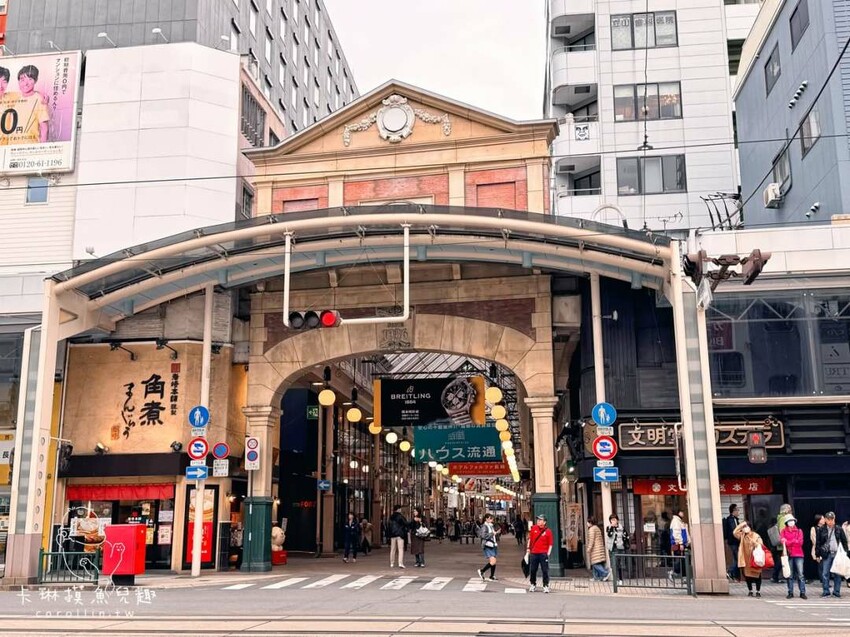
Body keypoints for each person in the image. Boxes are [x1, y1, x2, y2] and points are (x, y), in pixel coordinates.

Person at [8, 65, 49, 145]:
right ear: (18, 81)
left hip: (30, 148)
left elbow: (44, 128)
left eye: (30, 79)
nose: (26, 83)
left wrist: (42, 149)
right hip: (11, 149)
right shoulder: (14, 98)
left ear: (35, 81)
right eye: (22, 80)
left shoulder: (40, 100)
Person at [815, 511, 849, 598]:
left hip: (837, 554)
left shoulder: (838, 529)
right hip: (827, 554)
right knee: (825, 573)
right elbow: (818, 543)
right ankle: (826, 591)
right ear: (825, 520)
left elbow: (844, 541)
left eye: (832, 519)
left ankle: (836, 592)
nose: (831, 521)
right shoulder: (821, 529)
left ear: (834, 519)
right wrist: (817, 555)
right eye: (829, 519)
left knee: (837, 573)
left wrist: (845, 552)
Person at [734, 521, 765, 597]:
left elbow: (761, 544)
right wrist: (741, 525)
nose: (745, 528)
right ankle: (750, 590)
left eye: (746, 526)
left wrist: (755, 542)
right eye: (744, 527)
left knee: (757, 575)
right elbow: (735, 532)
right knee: (747, 576)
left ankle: (758, 591)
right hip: (746, 559)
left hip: (755, 558)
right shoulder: (742, 535)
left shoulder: (756, 535)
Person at [780, 515, 807, 599]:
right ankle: (790, 592)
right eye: (789, 521)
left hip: (799, 554)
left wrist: (789, 542)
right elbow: (783, 542)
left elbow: (800, 542)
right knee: (789, 575)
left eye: (792, 520)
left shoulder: (799, 531)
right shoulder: (783, 531)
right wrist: (793, 541)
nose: (791, 522)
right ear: (786, 523)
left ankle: (802, 592)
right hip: (789, 555)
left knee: (800, 574)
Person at [527, 514, 553, 593]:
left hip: (543, 553)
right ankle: (533, 584)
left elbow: (550, 544)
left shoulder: (548, 531)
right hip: (534, 553)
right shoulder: (534, 528)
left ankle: (545, 585)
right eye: (538, 520)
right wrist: (528, 549)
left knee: (545, 570)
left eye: (540, 520)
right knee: (533, 570)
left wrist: (548, 553)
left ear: (544, 522)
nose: (538, 521)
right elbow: (530, 539)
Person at [606, 514, 630, 584]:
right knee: (614, 565)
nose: (613, 521)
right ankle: (615, 580)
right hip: (612, 549)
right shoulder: (608, 527)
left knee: (620, 565)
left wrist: (624, 542)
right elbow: (609, 535)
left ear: (617, 520)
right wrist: (612, 528)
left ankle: (621, 579)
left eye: (614, 519)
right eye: (611, 520)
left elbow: (626, 536)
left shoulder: (622, 528)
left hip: (620, 548)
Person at [477, 513, 500, 581]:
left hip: (493, 544)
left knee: (494, 561)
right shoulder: (485, 526)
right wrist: (493, 533)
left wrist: (496, 532)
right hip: (488, 545)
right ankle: (482, 571)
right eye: (490, 518)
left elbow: (492, 535)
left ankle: (492, 576)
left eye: (492, 518)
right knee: (493, 561)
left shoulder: (491, 526)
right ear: (486, 519)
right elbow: (484, 536)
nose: (491, 520)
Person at [586, 516, 609, 581]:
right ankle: (596, 577)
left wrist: (589, 548)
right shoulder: (597, 528)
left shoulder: (591, 529)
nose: (587, 523)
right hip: (599, 548)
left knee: (595, 563)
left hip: (595, 549)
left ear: (590, 522)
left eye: (587, 522)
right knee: (596, 563)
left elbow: (591, 540)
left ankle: (605, 573)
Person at [670, 510, 690, 579]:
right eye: (682, 512)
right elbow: (676, 533)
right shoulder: (676, 521)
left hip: (681, 544)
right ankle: (674, 573)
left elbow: (684, 533)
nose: (683, 513)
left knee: (683, 560)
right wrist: (681, 543)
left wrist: (687, 541)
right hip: (678, 544)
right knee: (680, 560)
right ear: (678, 513)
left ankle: (682, 576)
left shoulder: (679, 521)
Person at [724, 504, 741, 582]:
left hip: (734, 542)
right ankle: (730, 572)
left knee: (736, 558)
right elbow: (735, 531)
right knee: (737, 559)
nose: (738, 511)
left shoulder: (735, 519)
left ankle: (734, 576)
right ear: (733, 511)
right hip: (733, 542)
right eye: (737, 510)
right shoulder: (731, 520)